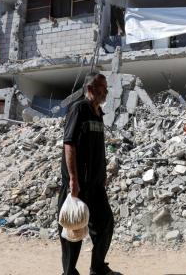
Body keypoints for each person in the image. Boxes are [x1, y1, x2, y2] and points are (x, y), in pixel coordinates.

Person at [57, 73, 120, 275]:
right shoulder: (79, 109)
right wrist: (73, 180)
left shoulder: (98, 113)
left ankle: (98, 267)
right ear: (90, 88)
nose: (106, 91)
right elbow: (69, 144)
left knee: (105, 224)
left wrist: (102, 174)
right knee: (74, 229)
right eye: (102, 87)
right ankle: (69, 272)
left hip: (95, 184)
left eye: (106, 87)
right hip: (78, 184)